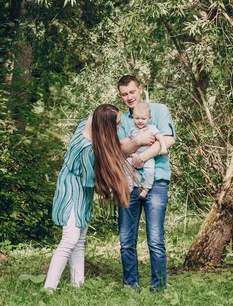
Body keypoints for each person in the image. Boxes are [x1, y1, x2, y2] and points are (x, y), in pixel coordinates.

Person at [44, 104, 130, 291]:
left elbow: (93, 117)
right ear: (106, 127)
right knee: (69, 239)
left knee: (79, 240)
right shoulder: (86, 150)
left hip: (81, 193)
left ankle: (78, 286)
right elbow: (94, 180)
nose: (119, 126)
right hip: (72, 194)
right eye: (117, 124)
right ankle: (48, 289)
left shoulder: (87, 125)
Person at [117, 75, 175, 291]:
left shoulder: (159, 111)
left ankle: (158, 286)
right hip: (128, 183)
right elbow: (117, 150)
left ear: (140, 89)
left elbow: (167, 140)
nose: (129, 97)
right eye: (124, 94)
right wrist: (137, 141)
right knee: (126, 239)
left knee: (155, 237)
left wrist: (141, 156)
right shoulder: (121, 119)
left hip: (156, 182)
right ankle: (130, 284)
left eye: (132, 92)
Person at [127, 101, 168, 199]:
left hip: (148, 157)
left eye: (143, 119)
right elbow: (129, 141)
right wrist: (131, 153)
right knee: (126, 166)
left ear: (149, 118)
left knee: (149, 170)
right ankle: (129, 184)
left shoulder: (152, 128)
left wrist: (163, 147)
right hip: (134, 155)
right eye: (137, 118)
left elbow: (161, 137)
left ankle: (146, 188)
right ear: (133, 117)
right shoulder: (132, 129)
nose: (140, 121)